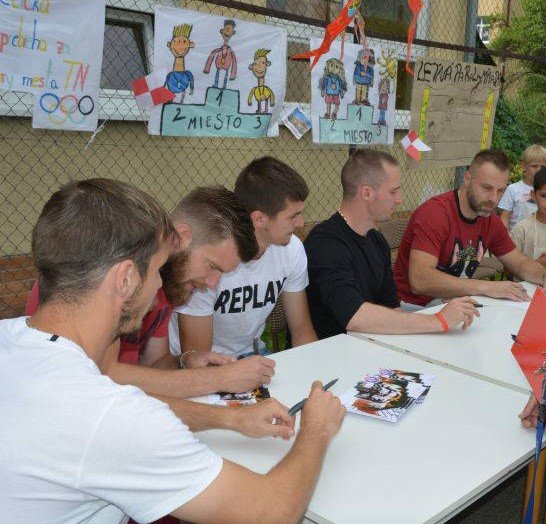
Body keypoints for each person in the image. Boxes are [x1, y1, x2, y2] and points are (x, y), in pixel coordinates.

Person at [0, 178, 346, 523]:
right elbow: (272, 514)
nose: (158, 286)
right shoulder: (110, 414)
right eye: (155, 271)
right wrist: (317, 429)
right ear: (125, 278)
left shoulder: (15, 340)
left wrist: (229, 416)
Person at [25, 186, 283, 439]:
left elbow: (156, 363)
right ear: (183, 236)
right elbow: (106, 375)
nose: (212, 284)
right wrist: (219, 379)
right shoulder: (117, 282)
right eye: (212, 266)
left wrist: (185, 362)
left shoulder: (168, 283)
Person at [304, 149, 479, 339]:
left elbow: (392, 307)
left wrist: (436, 324)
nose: (400, 199)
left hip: (371, 344)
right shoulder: (325, 243)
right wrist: (439, 320)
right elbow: (354, 316)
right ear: (366, 193)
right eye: (393, 192)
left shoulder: (376, 240)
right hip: (332, 351)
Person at [171, 156, 318, 360]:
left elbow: (302, 330)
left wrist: (314, 373)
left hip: (253, 355)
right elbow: (198, 358)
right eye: (292, 216)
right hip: (205, 362)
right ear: (259, 218)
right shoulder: (210, 262)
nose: (301, 223)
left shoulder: (292, 249)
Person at [394, 149, 546, 308]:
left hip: (452, 305)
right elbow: (420, 280)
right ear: (467, 179)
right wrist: (487, 287)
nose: (493, 198)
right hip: (412, 308)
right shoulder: (435, 213)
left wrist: (543, 276)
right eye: (487, 188)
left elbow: (520, 263)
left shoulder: (491, 221)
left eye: (500, 190)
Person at [498, 144, 546, 230]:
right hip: (516, 235)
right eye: (534, 166)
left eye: (543, 167)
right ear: (524, 166)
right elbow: (505, 218)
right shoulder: (513, 189)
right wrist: (505, 236)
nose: (539, 170)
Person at [510, 167, 546, 267]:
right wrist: (540, 263)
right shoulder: (522, 229)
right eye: (544, 196)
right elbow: (508, 268)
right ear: (533, 195)